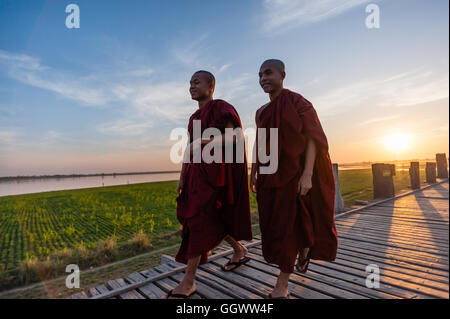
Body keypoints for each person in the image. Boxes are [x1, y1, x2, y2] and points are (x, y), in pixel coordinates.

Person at [250, 59, 338, 299]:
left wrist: (308, 174)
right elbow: (260, 141)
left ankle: (281, 285)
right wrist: (253, 170)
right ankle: (304, 248)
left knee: (289, 227)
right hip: (270, 174)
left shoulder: (298, 102)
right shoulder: (261, 111)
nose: (263, 78)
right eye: (259, 75)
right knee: (276, 225)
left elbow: (313, 138)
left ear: (282, 75)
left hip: (295, 173)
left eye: (268, 73)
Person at [165, 70, 253, 299]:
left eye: (196, 82)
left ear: (211, 85)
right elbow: (189, 150)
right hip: (196, 175)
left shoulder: (222, 107)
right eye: (189, 83)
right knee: (208, 219)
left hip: (216, 176)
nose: (191, 86)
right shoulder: (194, 118)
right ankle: (239, 249)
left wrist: (206, 140)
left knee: (199, 221)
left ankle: (188, 282)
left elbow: (237, 137)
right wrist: (182, 177)